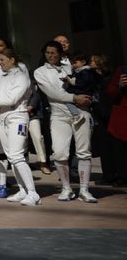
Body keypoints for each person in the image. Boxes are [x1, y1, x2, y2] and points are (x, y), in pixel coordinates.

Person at [0, 46, 41, 206]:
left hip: (18, 117)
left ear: (12, 60)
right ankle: (22, 190)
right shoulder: (3, 77)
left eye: (3, 60)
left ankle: (33, 193)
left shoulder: (22, 78)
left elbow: (11, 99)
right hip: (2, 118)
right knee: (11, 156)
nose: (0, 63)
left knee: (17, 155)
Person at [34, 40, 96, 203]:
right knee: (60, 152)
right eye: (47, 52)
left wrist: (90, 98)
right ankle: (67, 188)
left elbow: (87, 83)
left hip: (81, 112)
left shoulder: (70, 67)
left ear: (60, 53)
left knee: (84, 152)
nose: (50, 55)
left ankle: (84, 189)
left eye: (54, 52)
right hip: (59, 115)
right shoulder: (40, 72)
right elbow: (52, 92)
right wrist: (75, 97)